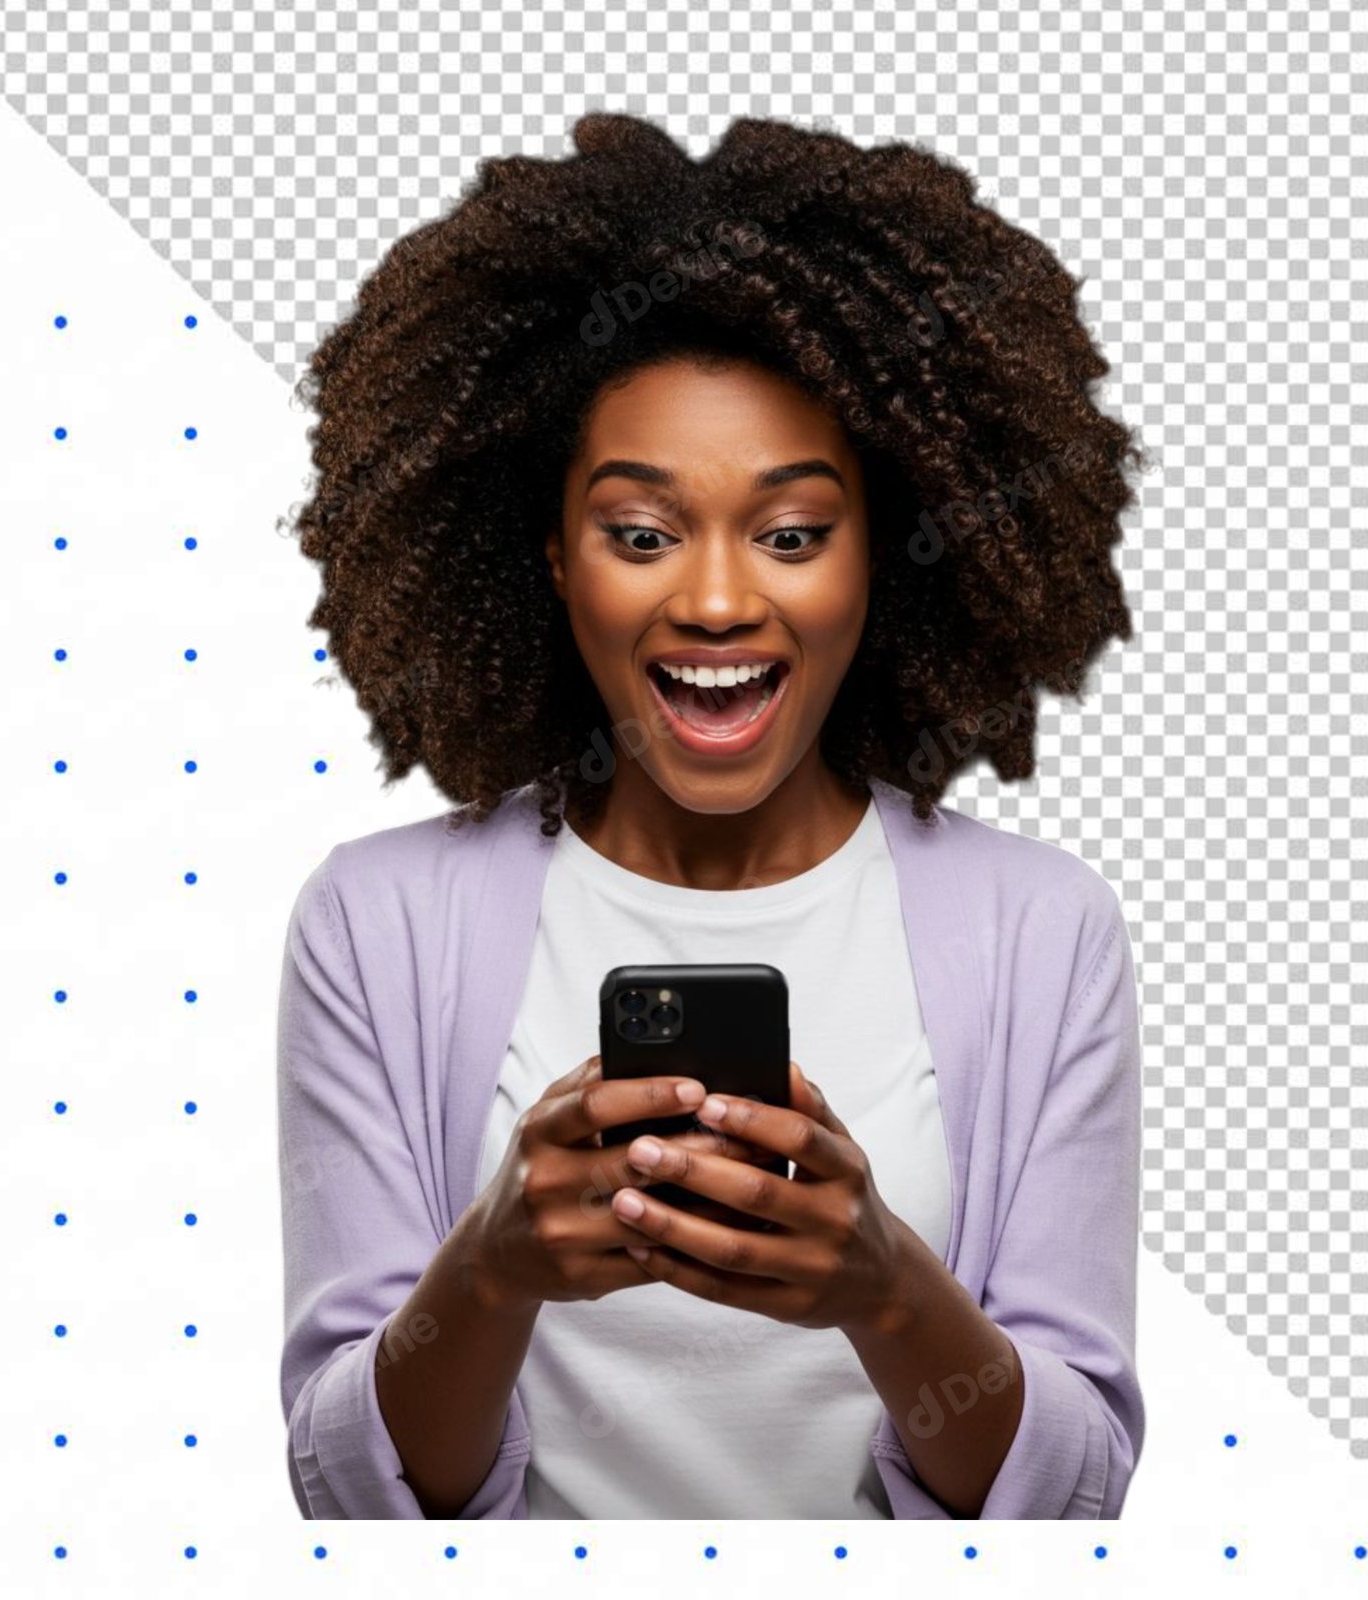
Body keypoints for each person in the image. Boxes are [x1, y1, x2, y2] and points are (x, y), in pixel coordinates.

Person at [276, 110, 1148, 1521]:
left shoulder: (1043, 933)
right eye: (641, 532)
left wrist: (884, 1284)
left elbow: (1075, 1494)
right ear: (551, 557)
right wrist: (492, 1270)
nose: (721, 599)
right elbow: (352, 1495)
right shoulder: (377, 926)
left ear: (891, 549)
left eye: (793, 532)